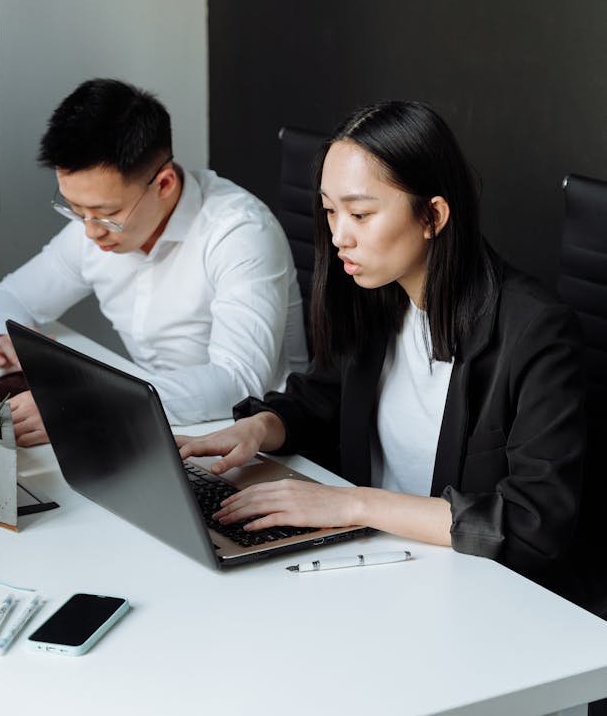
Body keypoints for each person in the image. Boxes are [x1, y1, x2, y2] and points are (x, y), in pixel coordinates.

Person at [177, 100, 586, 594]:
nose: (338, 236)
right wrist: (261, 426)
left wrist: (353, 504)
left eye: (360, 214)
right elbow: (324, 396)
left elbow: (532, 523)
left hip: (472, 587)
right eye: (330, 210)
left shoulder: (535, 331)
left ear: (432, 216)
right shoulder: (375, 293)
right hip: (370, 563)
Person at [0, 78, 308, 445]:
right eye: (75, 209)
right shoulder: (93, 224)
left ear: (164, 184)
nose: (90, 231)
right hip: (149, 421)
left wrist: (86, 402)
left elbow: (237, 382)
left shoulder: (239, 232)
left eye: (107, 214)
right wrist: (0, 334)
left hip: (252, 438)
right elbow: (13, 297)